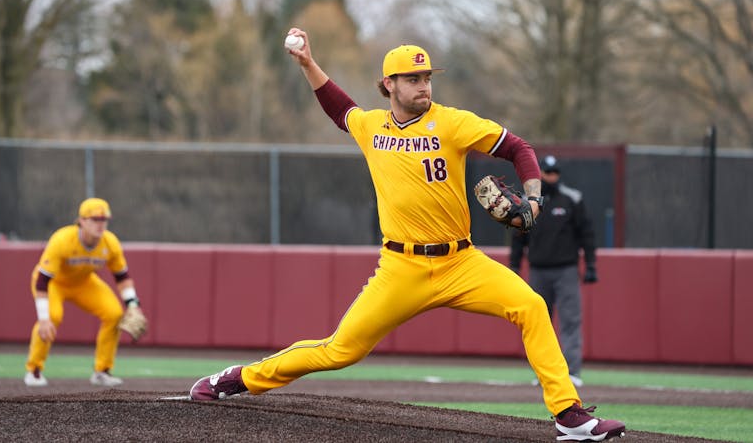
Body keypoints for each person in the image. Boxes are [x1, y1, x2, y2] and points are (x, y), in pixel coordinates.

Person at [190, 29, 625, 441]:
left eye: (427, 77)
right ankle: (238, 378)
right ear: (389, 84)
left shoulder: (452, 123)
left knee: (530, 305)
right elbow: (339, 108)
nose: (424, 86)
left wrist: (533, 199)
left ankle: (569, 416)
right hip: (402, 267)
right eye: (413, 78)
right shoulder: (373, 128)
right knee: (340, 350)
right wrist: (307, 62)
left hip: (461, 262)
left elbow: (519, 148)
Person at [24, 198, 142, 387]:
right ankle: (34, 370)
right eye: (95, 219)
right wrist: (44, 318)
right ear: (82, 221)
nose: (100, 224)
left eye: (104, 219)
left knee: (114, 314)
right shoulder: (63, 239)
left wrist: (133, 304)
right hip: (53, 283)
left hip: (83, 282)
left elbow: (122, 277)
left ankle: (102, 371)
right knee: (52, 317)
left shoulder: (109, 242)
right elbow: (42, 280)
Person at [510, 155, 598, 388]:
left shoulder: (572, 199)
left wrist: (590, 265)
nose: (551, 177)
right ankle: (544, 373)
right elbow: (518, 237)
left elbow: (586, 234)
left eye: (555, 173)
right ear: (540, 174)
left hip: (566, 270)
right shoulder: (529, 203)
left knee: (570, 321)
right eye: (547, 173)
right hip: (537, 270)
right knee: (539, 323)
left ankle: (572, 372)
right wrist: (514, 266)